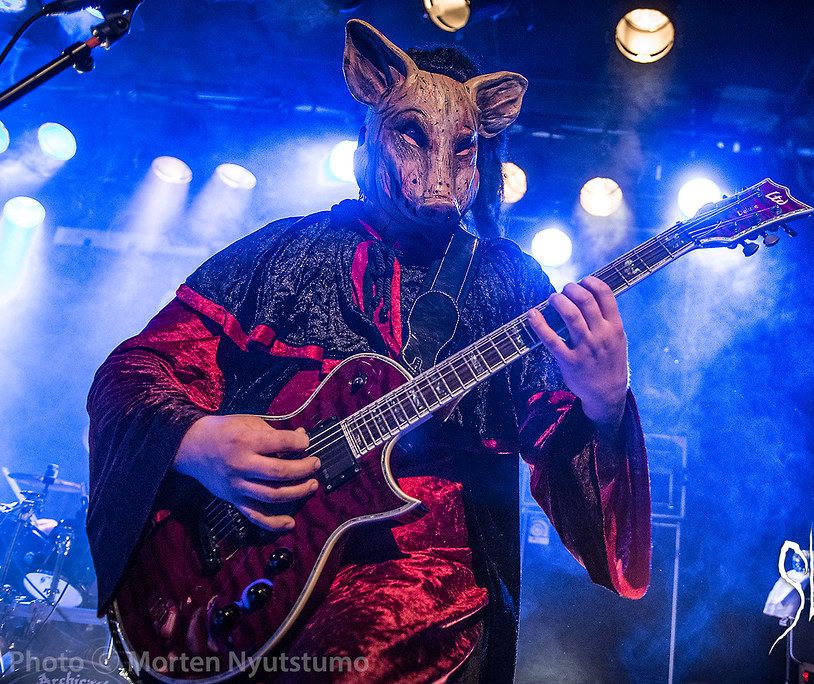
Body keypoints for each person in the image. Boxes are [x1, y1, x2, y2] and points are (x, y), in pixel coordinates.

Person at [86, 20, 651, 683]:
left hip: (420, 584)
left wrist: (604, 403)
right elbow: (137, 370)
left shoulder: (508, 282)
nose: (439, 175)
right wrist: (194, 441)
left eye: (462, 149)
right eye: (411, 134)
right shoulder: (287, 250)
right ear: (370, 128)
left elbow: (584, 498)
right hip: (233, 566)